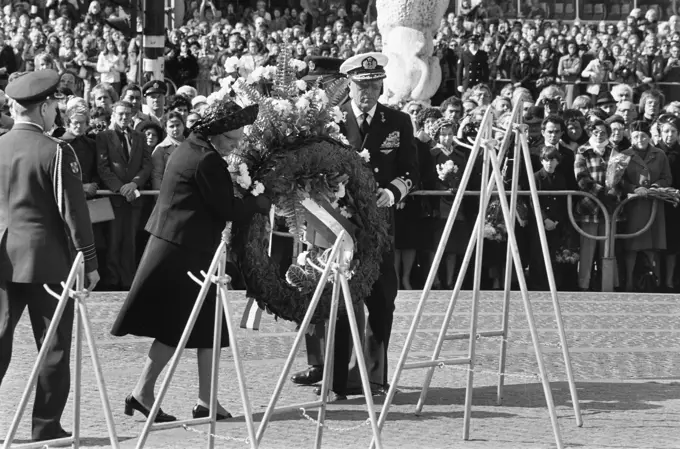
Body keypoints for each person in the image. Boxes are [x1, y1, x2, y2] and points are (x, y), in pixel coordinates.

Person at [111, 99, 267, 421]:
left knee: (209, 326)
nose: (235, 145)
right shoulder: (205, 159)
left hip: (186, 247)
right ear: (216, 131)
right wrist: (260, 201)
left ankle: (205, 401)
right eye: (231, 139)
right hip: (181, 251)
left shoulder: (194, 147)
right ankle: (142, 392)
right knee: (176, 325)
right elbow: (229, 211)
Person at [0, 69, 99, 442]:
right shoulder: (57, 151)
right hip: (47, 260)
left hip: (2, 256)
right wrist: (89, 262)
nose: (57, 111)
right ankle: (46, 427)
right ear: (42, 108)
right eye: (55, 105)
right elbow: (75, 213)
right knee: (54, 346)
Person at [322, 52, 418, 400]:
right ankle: (337, 380)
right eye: (362, 85)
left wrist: (393, 191)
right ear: (349, 85)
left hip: (379, 224)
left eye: (374, 84)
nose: (368, 92)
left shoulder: (398, 121)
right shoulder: (331, 121)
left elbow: (411, 170)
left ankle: (374, 378)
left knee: (381, 300)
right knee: (340, 301)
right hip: (340, 224)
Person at [290, 56, 346, 387]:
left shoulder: (344, 120)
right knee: (308, 287)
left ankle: (339, 366)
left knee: (338, 293)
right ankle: (315, 362)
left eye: (321, 84)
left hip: (341, 219)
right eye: (312, 84)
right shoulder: (303, 122)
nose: (316, 90)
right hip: (307, 214)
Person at [96, 101, 152, 290]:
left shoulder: (139, 136)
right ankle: (112, 280)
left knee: (130, 240)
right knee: (113, 241)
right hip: (115, 197)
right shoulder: (104, 136)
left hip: (133, 196)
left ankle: (128, 281)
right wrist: (120, 188)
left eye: (128, 114)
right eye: (120, 114)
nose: (124, 118)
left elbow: (146, 164)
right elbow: (103, 167)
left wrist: (134, 184)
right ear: (113, 115)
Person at [621, 120, 672, 291]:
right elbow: (618, 180)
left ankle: (652, 282)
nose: (640, 139)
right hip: (634, 205)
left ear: (649, 137)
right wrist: (634, 188)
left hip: (654, 204)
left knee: (653, 246)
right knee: (632, 246)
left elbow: (667, 177)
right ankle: (628, 282)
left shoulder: (659, 154)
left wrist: (657, 187)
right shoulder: (624, 155)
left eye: (643, 136)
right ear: (630, 137)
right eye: (636, 136)